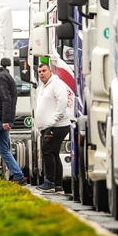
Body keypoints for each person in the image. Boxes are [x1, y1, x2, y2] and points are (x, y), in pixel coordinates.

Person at [34, 63, 71, 193]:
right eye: (39, 72)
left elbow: (62, 102)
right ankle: (58, 186)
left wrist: (52, 121)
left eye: (44, 70)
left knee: (47, 151)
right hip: (48, 127)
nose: (41, 73)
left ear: (50, 72)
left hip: (57, 126)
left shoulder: (57, 84)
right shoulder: (42, 87)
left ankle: (49, 182)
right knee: (54, 154)